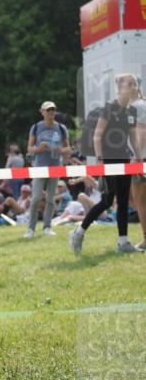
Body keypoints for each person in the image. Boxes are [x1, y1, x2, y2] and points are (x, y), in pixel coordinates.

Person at [70, 73, 143, 254]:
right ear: (120, 88)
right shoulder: (109, 108)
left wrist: (139, 158)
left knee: (124, 201)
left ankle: (123, 242)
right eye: (130, 84)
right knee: (107, 201)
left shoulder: (132, 110)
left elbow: (133, 137)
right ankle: (78, 233)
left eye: (135, 84)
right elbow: (97, 136)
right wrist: (101, 160)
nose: (135, 87)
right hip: (108, 160)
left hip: (125, 160)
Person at [24, 101, 72, 238]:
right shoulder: (36, 127)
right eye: (48, 110)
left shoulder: (61, 128)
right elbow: (29, 148)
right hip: (40, 166)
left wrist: (61, 150)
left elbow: (68, 148)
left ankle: (47, 227)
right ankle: (31, 228)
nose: (51, 112)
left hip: (56, 166)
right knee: (36, 197)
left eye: (53, 110)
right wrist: (39, 149)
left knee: (51, 198)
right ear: (42, 112)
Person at [129, 79, 146, 250]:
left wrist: (136, 156)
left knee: (140, 201)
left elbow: (142, 132)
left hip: (140, 159)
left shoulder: (137, 106)